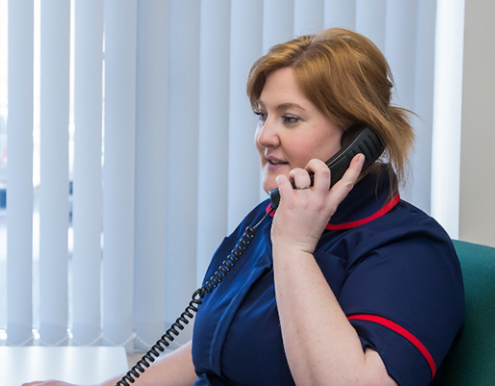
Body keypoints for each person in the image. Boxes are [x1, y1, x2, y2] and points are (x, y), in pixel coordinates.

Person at [24, 27, 464, 386]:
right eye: (263, 116)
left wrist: (294, 251)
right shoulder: (272, 217)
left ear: (357, 138)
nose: (264, 136)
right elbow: (209, 349)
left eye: (289, 118)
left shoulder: (409, 252)